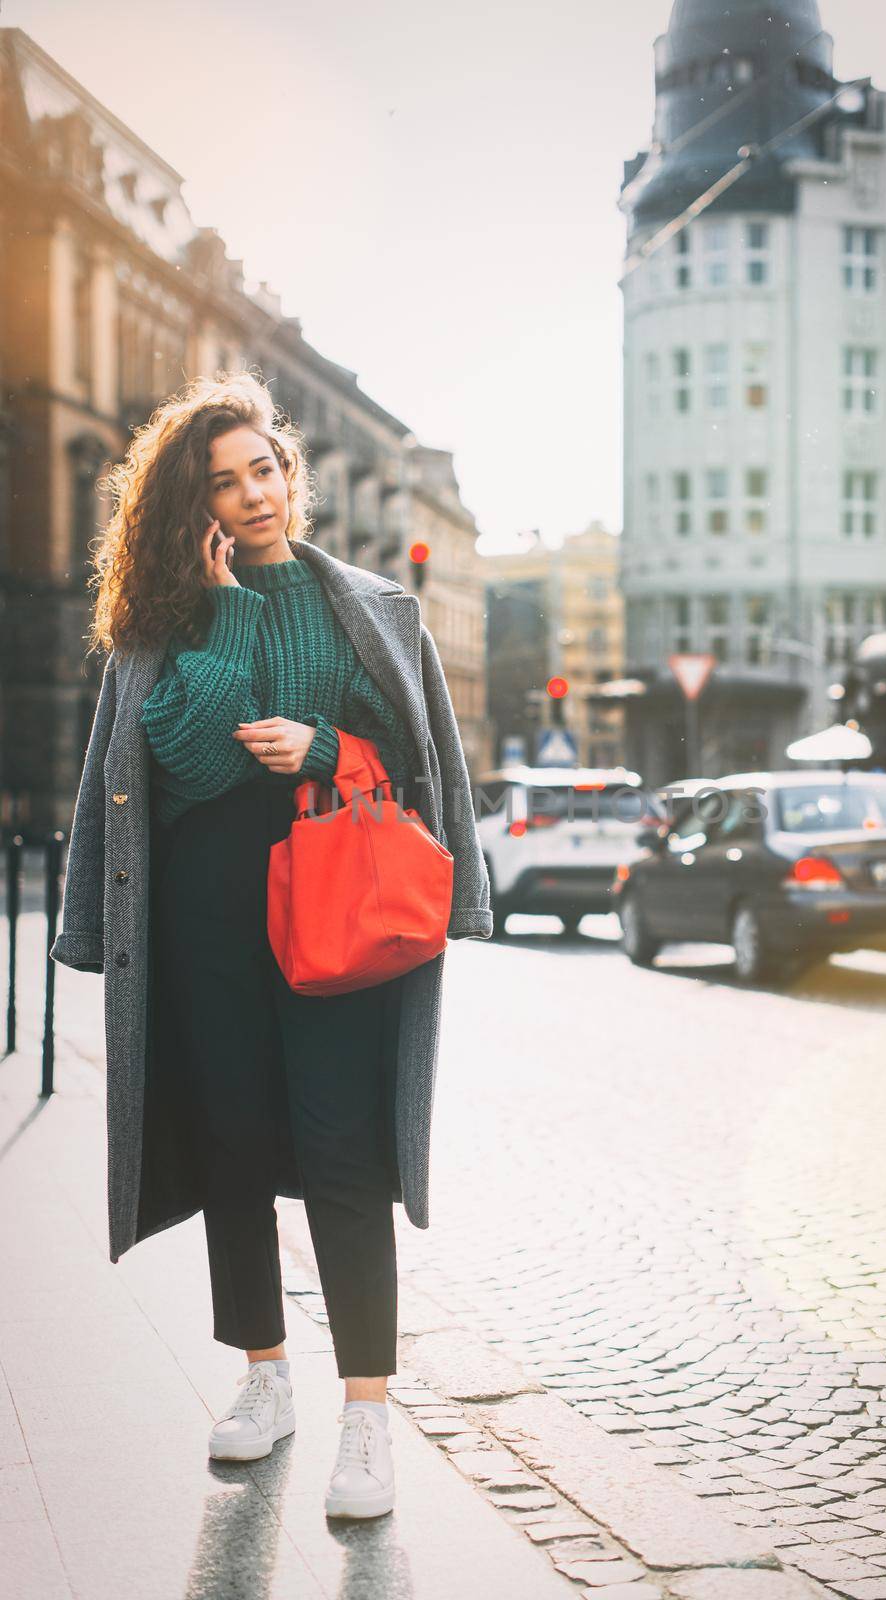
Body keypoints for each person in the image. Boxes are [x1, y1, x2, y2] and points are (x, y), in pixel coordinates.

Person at [49, 370, 492, 1519]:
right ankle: (262, 1378)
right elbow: (184, 762)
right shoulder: (167, 617)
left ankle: (368, 1418)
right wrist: (228, 614)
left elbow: (421, 771)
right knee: (236, 1142)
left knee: (345, 1151)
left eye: (264, 470)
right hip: (206, 913)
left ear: (292, 476)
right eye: (222, 481)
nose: (252, 495)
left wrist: (326, 743)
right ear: (190, 503)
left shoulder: (376, 609)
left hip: (336, 903)